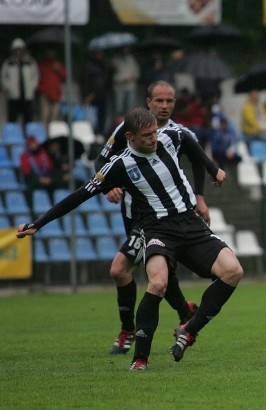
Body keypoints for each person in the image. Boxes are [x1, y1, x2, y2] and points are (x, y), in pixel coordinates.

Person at [17, 107, 242, 371]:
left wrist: (213, 169)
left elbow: (190, 139)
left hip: (190, 224)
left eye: (154, 133)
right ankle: (140, 359)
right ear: (130, 136)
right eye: (146, 135)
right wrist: (38, 224)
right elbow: (79, 195)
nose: (153, 139)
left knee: (233, 271)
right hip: (158, 230)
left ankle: (189, 330)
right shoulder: (120, 165)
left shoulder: (169, 136)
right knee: (158, 283)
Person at [96, 80, 211, 355]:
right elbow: (101, 162)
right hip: (131, 213)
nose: (165, 106)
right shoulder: (130, 128)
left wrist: (200, 196)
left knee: (121, 270)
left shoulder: (176, 133)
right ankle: (185, 313)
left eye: (170, 101)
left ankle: (129, 332)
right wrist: (107, 185)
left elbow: (198, 159)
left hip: (155, 219)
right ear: (148, 102)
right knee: (160, 274)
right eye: (159, 100)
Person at [1, 38, 39, 126]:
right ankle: (13, 136)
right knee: (12, 118)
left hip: (27, 96)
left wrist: (32, 87)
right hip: (13, 96)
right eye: (16, 50)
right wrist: (8, 87)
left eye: (20, 50)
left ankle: (28, 137)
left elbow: (36, 76)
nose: (18, 52)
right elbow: (3, 77)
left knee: (28, 118)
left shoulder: (30, 62)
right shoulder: (8, 63)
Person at [82, 49, 111, 135]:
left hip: (102, 93)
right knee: (92, 116)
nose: (100, 55)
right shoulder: (89, 65)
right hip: (92, 94)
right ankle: (92, 132)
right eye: (98, 53)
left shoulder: (104, 65)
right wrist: (87, 94)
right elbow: (85, 81)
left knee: (102, 114)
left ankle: (100, 133)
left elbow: (107, 79)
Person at [36, 48, 66, 127]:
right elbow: (37, 78)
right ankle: (44, 135)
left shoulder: (57, 65)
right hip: (45, 94)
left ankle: (53, 134)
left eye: (52, 53)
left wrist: (59, 69)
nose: (50, 55)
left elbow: (64, 76)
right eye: (49, 53)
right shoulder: (41, 65)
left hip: (56, 94)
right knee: (44, 115)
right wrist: (41, 89)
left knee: (54, 117)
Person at [111, 46, 140, 118]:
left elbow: (137, 73)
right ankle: (117, 126)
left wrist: (133, 76)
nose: (125, 50)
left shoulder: (131, 59)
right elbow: (112, 77)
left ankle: (129, 125)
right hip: (119, 88)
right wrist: (123, 78)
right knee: (118, 109)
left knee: (130, 109)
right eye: (124, 48)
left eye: (126, 48)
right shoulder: (115, 60)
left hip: (130, 87)